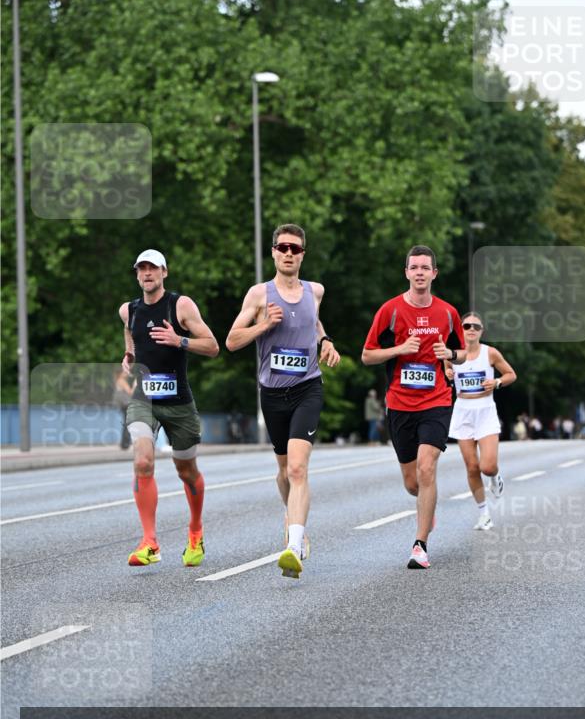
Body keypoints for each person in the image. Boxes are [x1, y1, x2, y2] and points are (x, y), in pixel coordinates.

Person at [225, 224, 340, 579]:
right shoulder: (259, 295)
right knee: (282, 470)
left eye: (295, 248)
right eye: (283, 247)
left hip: (307, 387)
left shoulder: (315, 291)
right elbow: (230, 340)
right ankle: (292, 519)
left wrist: (326, 341)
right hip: (273, 392)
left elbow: (313, 321)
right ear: (273, 252)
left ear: (302, 254)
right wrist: (264, 325)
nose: (289, 253)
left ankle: (294, 544)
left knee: (297, 468)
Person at [361, 245, 465, 570]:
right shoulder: (390, 311)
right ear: (406, 272)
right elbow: (367, 355)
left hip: (437, 399)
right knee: (411, 482)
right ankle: (426, 507)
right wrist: (399, 349)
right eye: (414, 267)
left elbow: (461, 352)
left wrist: (449, 355)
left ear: (434, 273)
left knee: (426, 468)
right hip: (400, 403)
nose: (419, 272)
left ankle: (420, 545)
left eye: (425, 267)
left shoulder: (448, 313)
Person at [119, 249, 219, 567]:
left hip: (178, 404)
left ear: (164, 272)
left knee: (185, 470)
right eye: (142, 269)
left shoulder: (181, 305)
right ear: (137, 274)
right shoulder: (128, 310)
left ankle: (195, 530)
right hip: (143, 400)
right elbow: (129, 334)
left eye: (153, 268)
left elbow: (213, 346)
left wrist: (181, 341)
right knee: (143, 461)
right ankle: (150, 542)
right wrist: (130, 355)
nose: (147, 274)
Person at [445, 312, 517, 531]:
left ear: (481, 331)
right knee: (472, 467)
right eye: (467, 326)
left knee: (487, 466)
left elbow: (511, 375)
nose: (472, 329)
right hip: (463, 411)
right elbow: (445, 369)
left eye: (476, 326)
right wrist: (448, 372)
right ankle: (484, 513)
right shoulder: (453, 353)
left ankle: (495, 477)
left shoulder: (490, 353)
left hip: (485, 410)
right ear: (461, 329)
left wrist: (496, 382)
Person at [113, 368, 133, 449]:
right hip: (126, 404)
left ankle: (124, 443)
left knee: (126, 424)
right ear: (121, 373)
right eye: (125, 372)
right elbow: (130, 392)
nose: (127, 373)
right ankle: (125, 444)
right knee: (128, 424)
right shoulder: (122, 381)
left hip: (123, 405)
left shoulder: (118, 381)